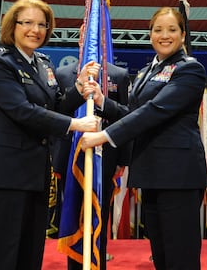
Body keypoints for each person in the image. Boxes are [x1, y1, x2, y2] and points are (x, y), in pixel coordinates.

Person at [0, 0, 100, 270]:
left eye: (42, 25)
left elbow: (54, 105)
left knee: (31, 250)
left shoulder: (42, 63)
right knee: (3, 253)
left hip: (35, 172)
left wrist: (79, 91)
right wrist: (74, 125)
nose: (35, 30)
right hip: (6, 173)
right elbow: (22, 111)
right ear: (13, 26)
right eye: (27, 23)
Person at [79, 7, 207, 270]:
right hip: (151, 174)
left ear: (183, 35)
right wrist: (103, 102)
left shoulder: (190, 70)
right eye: (158, 30)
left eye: (172, 30)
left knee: (180, 257)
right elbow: (133, 113)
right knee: (161, 255)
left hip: (178, 177)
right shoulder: (147, 71)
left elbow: (154, 111)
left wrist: (104, 136)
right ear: (150, 35)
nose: (164, 35)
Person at [55, 58, 130, 270]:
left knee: (100, 216)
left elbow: (126, 118)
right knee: (71, 215)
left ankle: (97, 261)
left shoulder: (119, 74)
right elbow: (56, 114)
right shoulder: (62, 73)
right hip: (70, 158)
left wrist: (123, 159)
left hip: (104, 159)